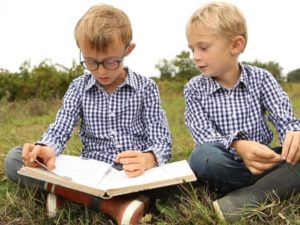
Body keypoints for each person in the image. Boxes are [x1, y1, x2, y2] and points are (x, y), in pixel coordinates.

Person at [5, 3, 172, 225]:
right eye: (91, 62)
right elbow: (60, 128)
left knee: (172, 185)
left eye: (111, 62)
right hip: (89, 172)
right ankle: (116, 206)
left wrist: (148, 158)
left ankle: (69, 197)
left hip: (130, 173)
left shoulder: (146, 87)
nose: (101, 71)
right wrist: (45, 148)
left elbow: (162, 139)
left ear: (128, 50)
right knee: (15, 159)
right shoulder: (78, 87)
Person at [184, 1, 300, 223]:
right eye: (192, 49)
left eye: (204, 47)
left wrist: (294, 134)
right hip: (225, 163)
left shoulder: (262, 78)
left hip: (265, 162)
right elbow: (203, 135)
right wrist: (239, 144)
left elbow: (284, 119)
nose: (195, 56)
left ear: (235, 45)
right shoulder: (194, 89)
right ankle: (277, 183)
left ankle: (249, 196)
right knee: (202, 157)